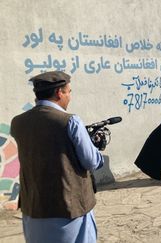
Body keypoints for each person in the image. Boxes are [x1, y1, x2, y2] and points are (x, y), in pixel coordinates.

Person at [10, 71, 104, 243]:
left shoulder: (17, 122)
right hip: (70, 210)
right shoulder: (70, 121)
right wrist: (96, 149)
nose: (69, 97)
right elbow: (91, 161)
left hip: (34, 208)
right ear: (59, 92)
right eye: (69, 92)